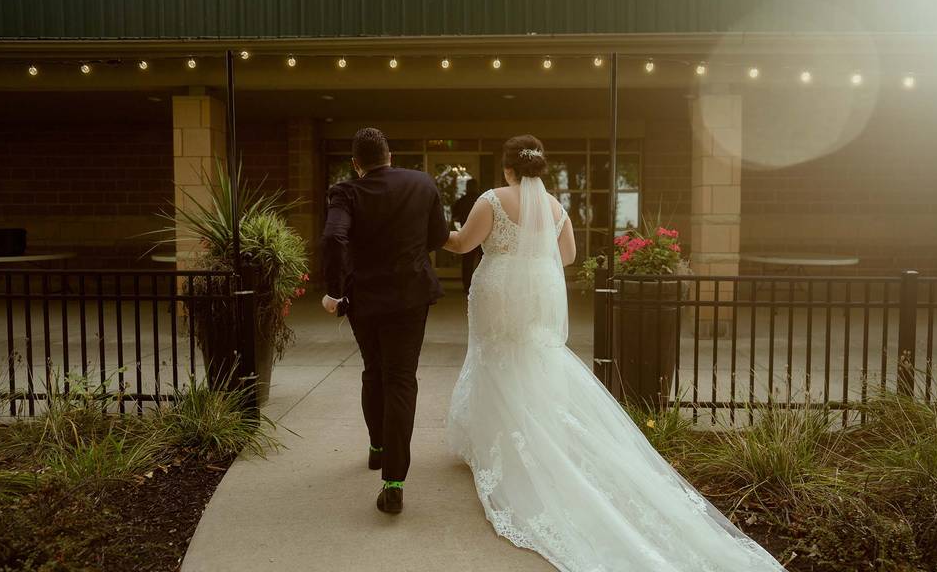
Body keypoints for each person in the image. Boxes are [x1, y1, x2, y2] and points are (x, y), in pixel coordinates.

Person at [442, 135, 786, 571]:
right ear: (538, 169)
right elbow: (566, 256)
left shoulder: (491, 199)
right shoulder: (554, 207)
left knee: (496, 355)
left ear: (508, 169)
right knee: (531, 355)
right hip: (537, 289)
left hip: (497, 287)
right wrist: (531, 257)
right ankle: (536, 427)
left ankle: (500, 443)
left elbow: (463, 244)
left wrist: (437, 231)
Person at [321, 127, 449, 515]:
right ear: (389, 155)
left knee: (373, 371)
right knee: (401, 379)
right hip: (411, 297)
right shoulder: (423, 183)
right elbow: (438, 235)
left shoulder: (345, 191)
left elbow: (333, 238)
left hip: (366, 300)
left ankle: (378, 447)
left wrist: (335, 289)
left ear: (356, 164)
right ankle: (393, 480)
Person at [450, 177, 482, 294]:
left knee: (467, 262)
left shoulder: (462, 201)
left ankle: (467, 286)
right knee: (483, 261)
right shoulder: (482, 200)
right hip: (482, 235)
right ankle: (481, 285)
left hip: (467, 233)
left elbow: (455, 217)